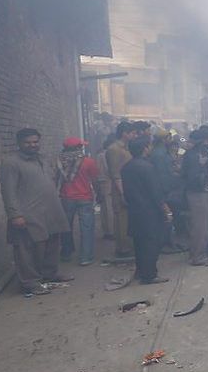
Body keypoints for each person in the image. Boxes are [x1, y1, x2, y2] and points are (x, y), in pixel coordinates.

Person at [0, 128, 73, 296]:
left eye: (35, 142)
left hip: (50, 210)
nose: (32, 145)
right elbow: (8, 191)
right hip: (28, 213)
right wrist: (15, 215)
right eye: (28, 142)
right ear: (19, 143)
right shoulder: (11, 163)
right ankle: (29, 282)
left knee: (53, 242)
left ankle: (50, 274)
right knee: (26, 249)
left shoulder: (42, 159)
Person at [121, 136, 171, 284]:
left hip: (135, 209)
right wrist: (165, 209)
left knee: (139, 242)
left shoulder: (126, 167)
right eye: (148, 146)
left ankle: (140, 270)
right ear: (144, 149)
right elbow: (155, 192)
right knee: (152, 242)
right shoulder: (147, 168)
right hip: (149, 211)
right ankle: (149, 275)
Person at [56, 137, 100, 266]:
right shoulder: (88, 162)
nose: (82, 148)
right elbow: (95, 179)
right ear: (78, 148)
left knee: (66, 226)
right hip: (85, 197)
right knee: (87, 228)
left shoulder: (60, 162)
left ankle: (66, 253)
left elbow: (56, 178)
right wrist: (99, 193)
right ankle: (86, 257)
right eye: (81, 146)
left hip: (66, 197)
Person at [181, 126, 208, 266]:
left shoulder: (192, 153)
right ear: (204, 140)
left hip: (197, 192)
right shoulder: (197, 155)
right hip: (199, 193)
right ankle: (198, 256)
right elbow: (195, 177)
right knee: (201, 226)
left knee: (199, 225)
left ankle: (197, 253)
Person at [105, 121, 137, 258]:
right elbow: (115, 173)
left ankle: (128, 247)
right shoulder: (114, 149)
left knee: (129, 219)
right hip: (121, 189)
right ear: (125, 133)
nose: (135, 135)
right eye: (133, 133)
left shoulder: (126, 148)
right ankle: (123, 249)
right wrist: (122, 193)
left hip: (129, 187)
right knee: (122, 220)